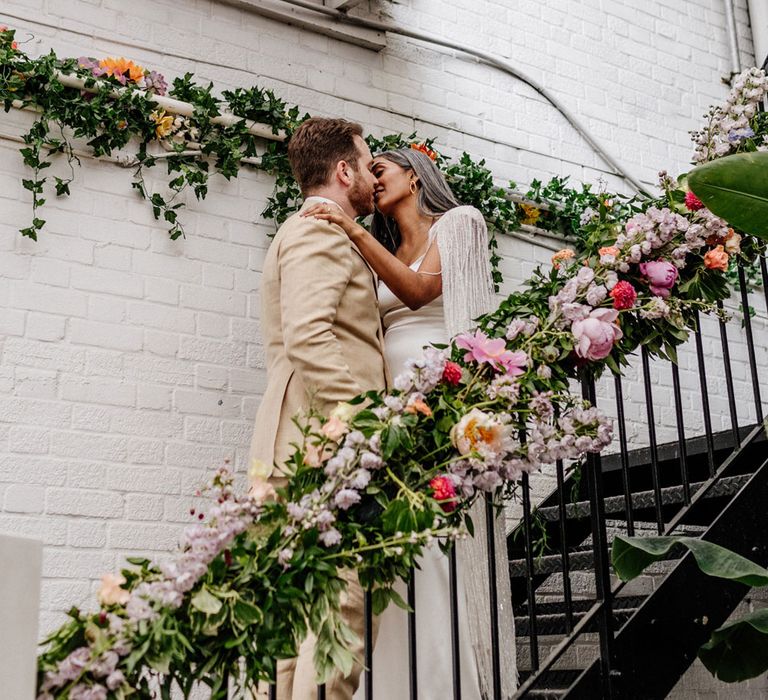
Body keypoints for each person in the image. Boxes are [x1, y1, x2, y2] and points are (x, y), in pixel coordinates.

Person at [304, 147, 518, 699]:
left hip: (443, 399)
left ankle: (448, 682)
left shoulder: (460, 223)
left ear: (416, 177)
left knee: (434, 535)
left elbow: (421, 292)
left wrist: (351, 229)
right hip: (392, 402)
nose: (372, 180)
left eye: (380, 169)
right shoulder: (389, 249)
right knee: (396, 534)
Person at [249, 117, 388, 700]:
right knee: (341, 612)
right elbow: (309, 336)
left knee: (292, 618)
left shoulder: (311, 231)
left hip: (295, 441)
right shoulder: (318, 232)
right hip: (324, 444)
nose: (374, 177)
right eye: (367, 162)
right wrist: (365, 424)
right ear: (343, 169)